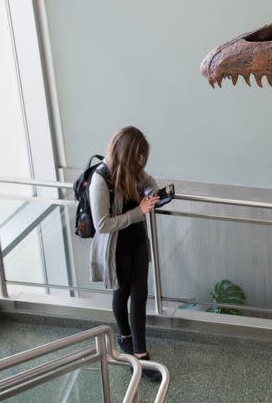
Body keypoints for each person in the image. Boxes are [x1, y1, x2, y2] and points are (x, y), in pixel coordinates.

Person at [89, 126, 162, 381]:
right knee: (122, 294)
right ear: (126, 154)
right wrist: (138, 212)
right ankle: (125, 337)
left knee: (140, 296)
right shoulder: (101, 180)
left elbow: (150, 183)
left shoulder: (133, 169)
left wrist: (154, 195)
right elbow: (102, 224)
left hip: (139, 243)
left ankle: (140, 353)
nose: (140, 162)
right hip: (116, 248)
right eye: (138, 157)